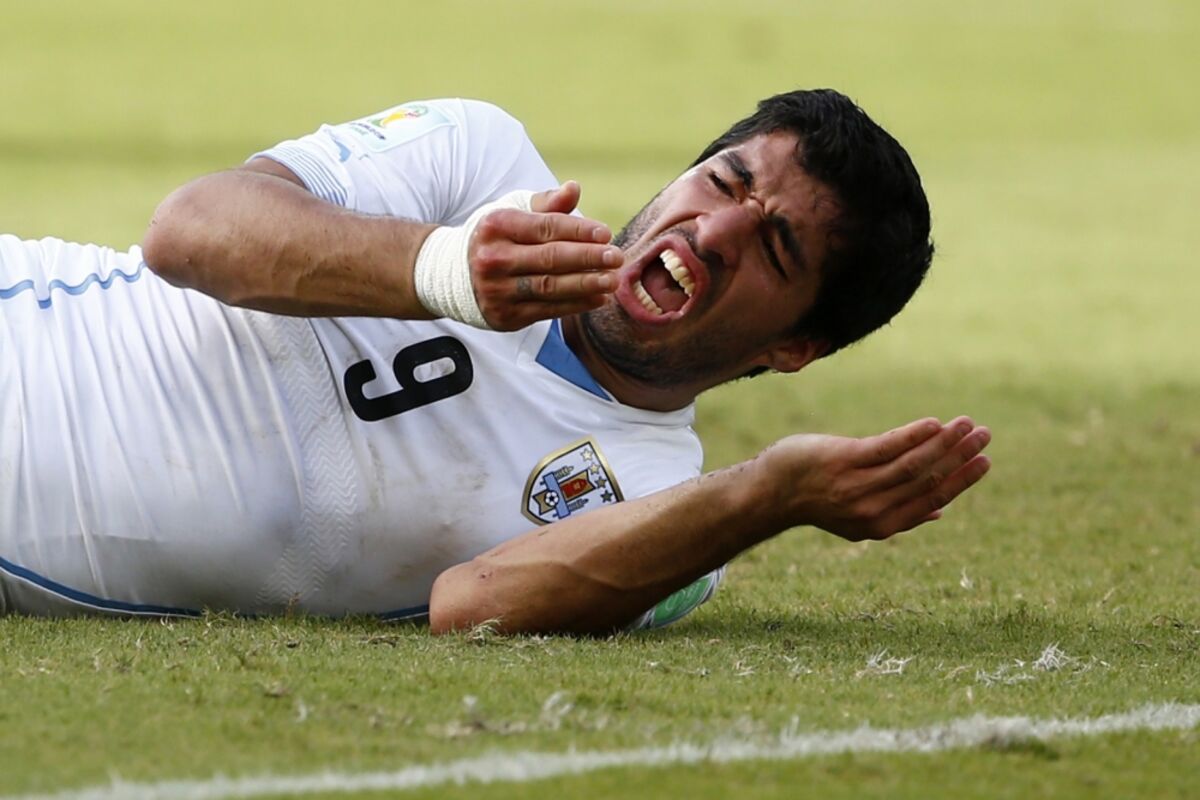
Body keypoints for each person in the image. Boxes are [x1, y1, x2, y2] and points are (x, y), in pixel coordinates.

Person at [0, 89, 990, 634]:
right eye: (725, 180)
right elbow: (189, 230)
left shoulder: (669, 507)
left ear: (794, 346)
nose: (718, 228)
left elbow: (471, 603)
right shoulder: (482, 162)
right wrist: (440, 268)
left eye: (775, 247)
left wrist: (768, 494)